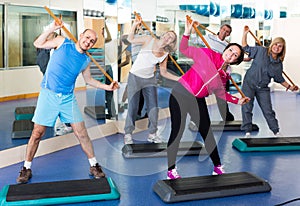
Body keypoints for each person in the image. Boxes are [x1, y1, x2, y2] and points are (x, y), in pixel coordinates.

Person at [16, 20, 118, 184]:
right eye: (87, 38)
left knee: (82, 133)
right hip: (48, 95)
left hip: (67, 98)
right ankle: (26, 168)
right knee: (37, 134)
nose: (88, 42)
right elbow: (38, 43)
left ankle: (94, 165)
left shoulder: (85, 60)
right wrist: (52, 29)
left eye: (92, 41)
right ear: (81, 36)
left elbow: (89, 80)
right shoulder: (62, 42)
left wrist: (108, 87)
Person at [166, 19, 249, 179]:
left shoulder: (225, 75)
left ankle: (218, 166)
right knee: (177, 131)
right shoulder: (208, 54)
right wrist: (187, 31)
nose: (231, 54)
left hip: (197, 100)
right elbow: (184, 49)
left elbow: (221, 94)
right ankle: (171, 170)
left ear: (236, 61)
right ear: (226, 48)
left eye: (235, 55)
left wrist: (237, 101)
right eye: (230, 50)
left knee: (207, 132)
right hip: (181, 94)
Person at [124, 17, 180, 144]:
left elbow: (164, 72)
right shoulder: (149, 39)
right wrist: (134, 24)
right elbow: (130, 39)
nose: (168, 37)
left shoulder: (166, 53)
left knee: (153, 107)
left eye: (171, 38)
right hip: (135, 77)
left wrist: (180, 78)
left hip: (150, 79)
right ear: (164, 34)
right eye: (168, 34)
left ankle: (152, 134)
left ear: (171, 42)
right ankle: (128, 133)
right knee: (133, 106)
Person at [240, 26, 298, 138]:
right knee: (247, 107)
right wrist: (245, 33)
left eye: (280, 46)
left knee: (268, 111)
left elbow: (279, 79)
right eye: (276, 44)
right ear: (272, 44)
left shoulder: (278, 64)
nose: (277, 47)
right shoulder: (261, 50)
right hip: (249, 84)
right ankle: (247, 132)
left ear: (282, 49)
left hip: (263, 88)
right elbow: (245, 47)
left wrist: (290, 87)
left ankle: (276, 131)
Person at [188, 23, 234, 131]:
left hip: (217, 74)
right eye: (223, 29)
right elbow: (195, 40)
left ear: (228, 34)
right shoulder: (209, 38)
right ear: (220, 29)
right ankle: (195, 119)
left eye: (227, 31)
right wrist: (194, 28)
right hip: (204, 72)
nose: (224, 32)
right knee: (198, 97)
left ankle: (227, 117)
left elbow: (228, 61)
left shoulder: (228, 47)